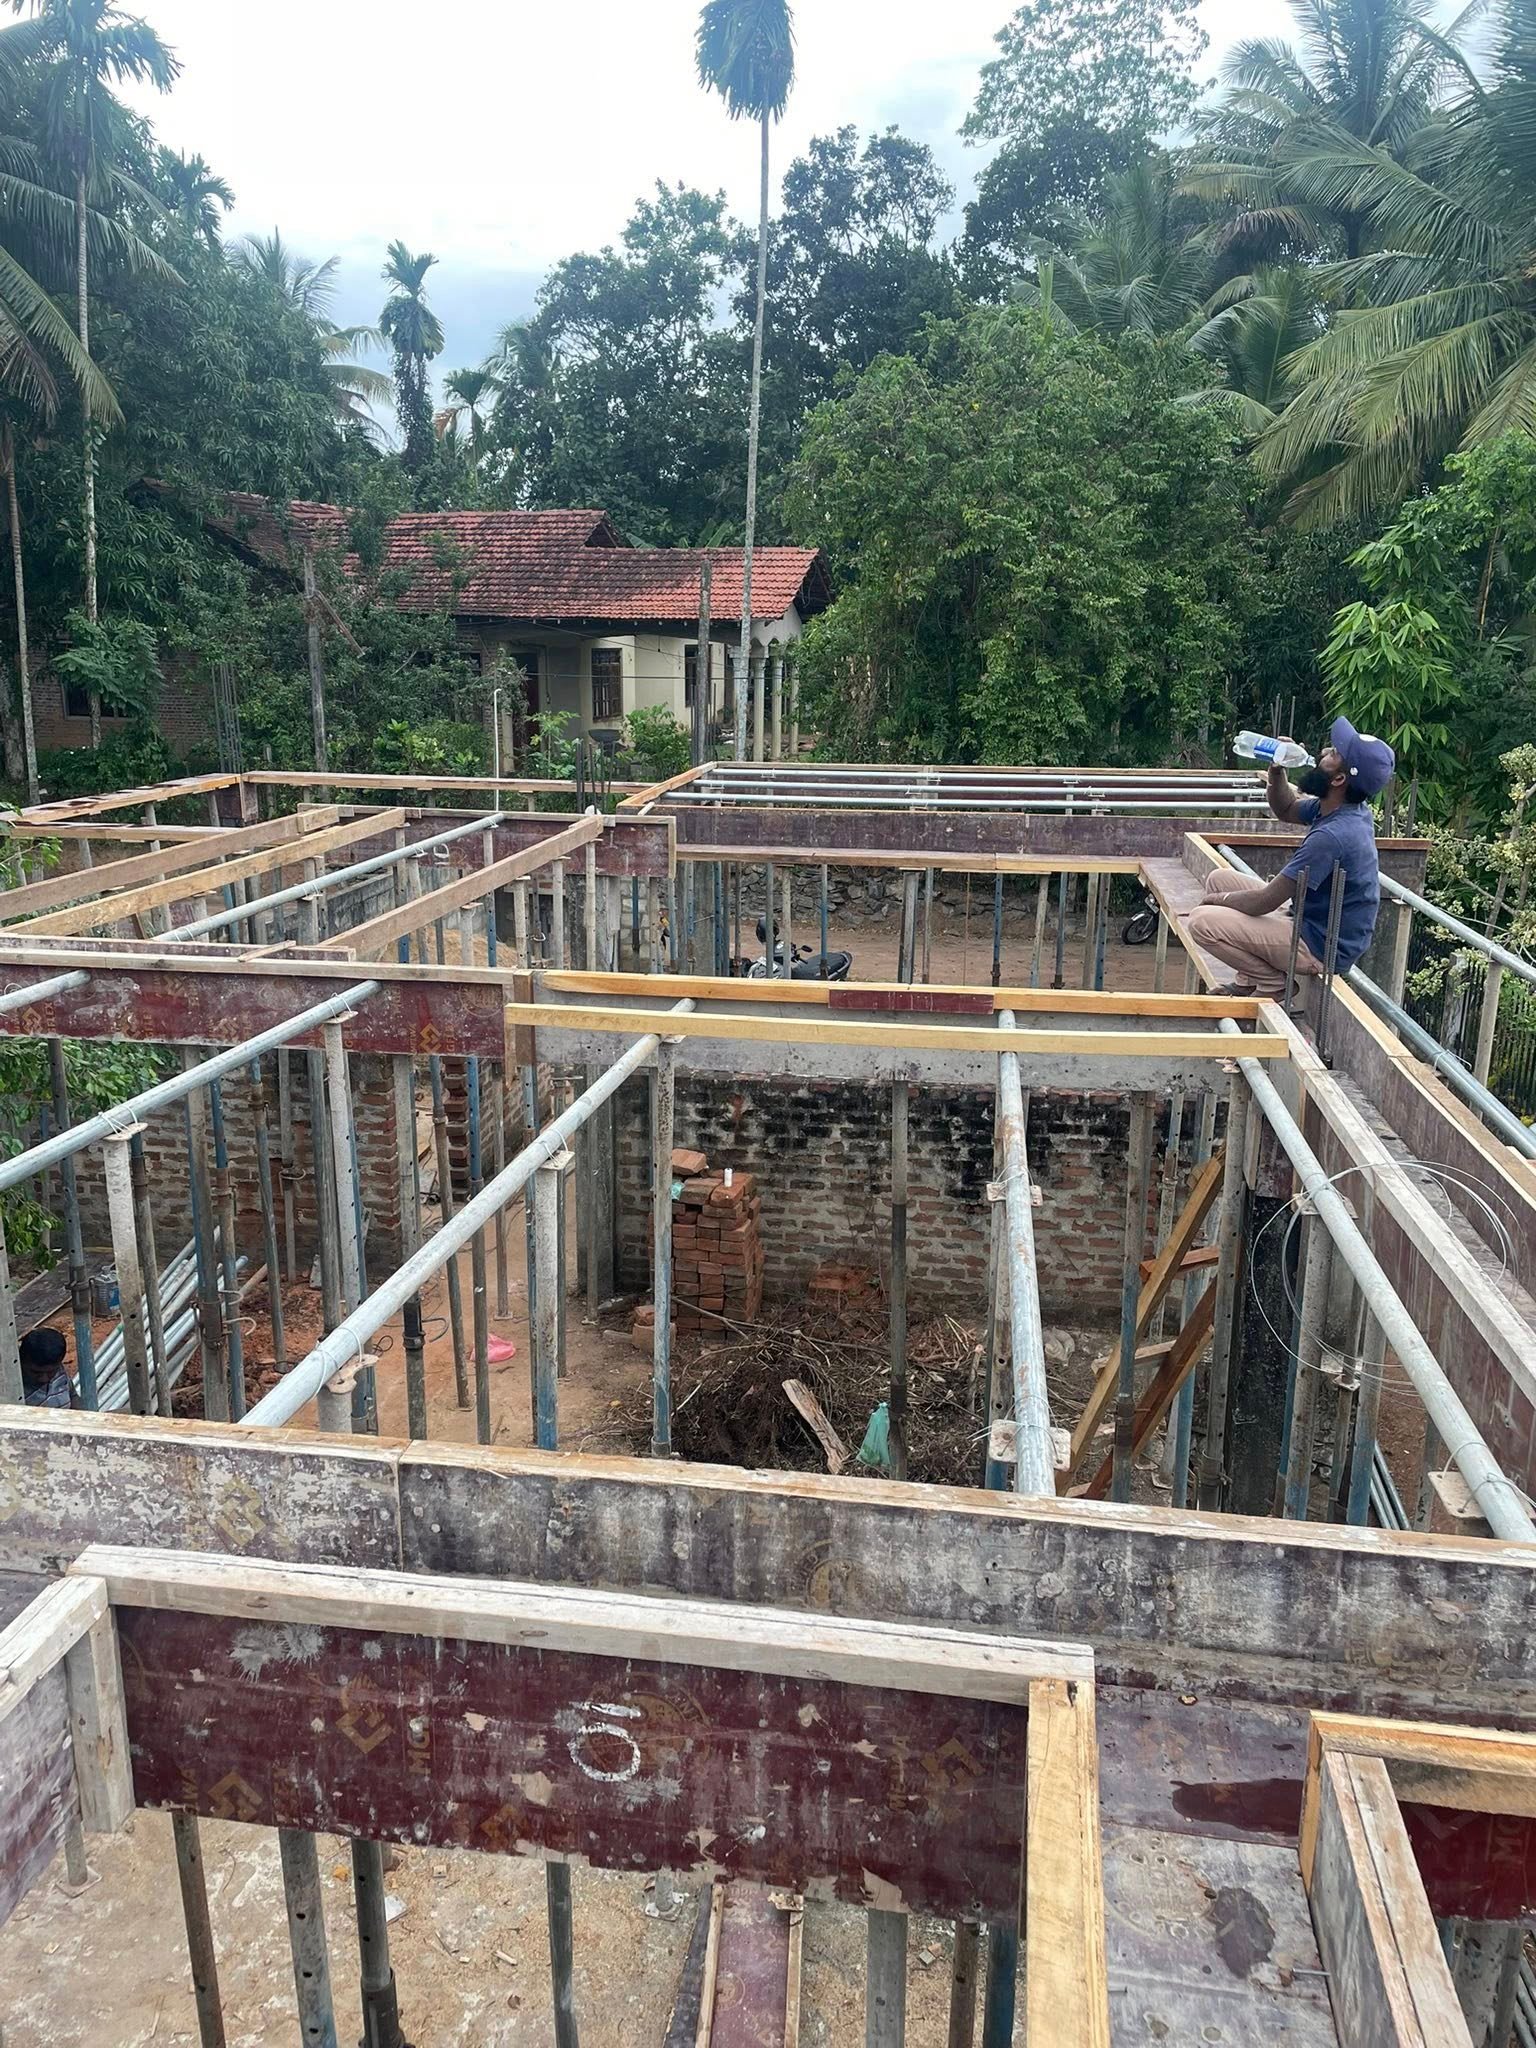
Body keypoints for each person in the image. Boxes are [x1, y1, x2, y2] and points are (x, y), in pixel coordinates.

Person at [1188, 716, 1396, 1000]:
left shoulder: (1332, 836)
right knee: (1219, 879)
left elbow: (1265, 901)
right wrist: (1277, 769)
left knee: (1202, 921)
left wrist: (1217, 901)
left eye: (1334, 753)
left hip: (1318, 946)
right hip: (1306, 917)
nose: (1324, 751)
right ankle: (1247, 979)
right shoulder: (1341, 808)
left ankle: (1273, 984)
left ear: (1338, 779)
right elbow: (1286, 809)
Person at [19, 1326, 75, 1409]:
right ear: (22, 1362)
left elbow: (73, 1396)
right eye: (36, 1372)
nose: (44, 1379)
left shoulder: (59, 1370)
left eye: (51, 1372)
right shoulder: (16, 1390)